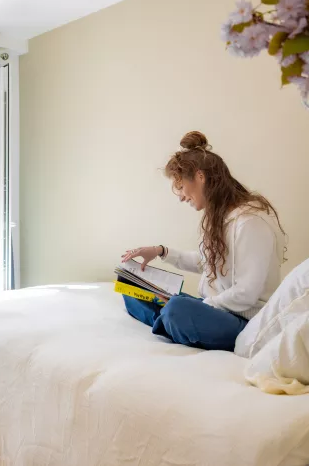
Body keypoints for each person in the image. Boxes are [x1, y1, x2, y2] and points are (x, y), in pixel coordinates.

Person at [122, 131, 286, 351]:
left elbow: (247, 293)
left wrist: (200, 305)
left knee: (177, 309)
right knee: (130, 287)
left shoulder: (251, 222)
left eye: (180, 187)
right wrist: (160, 251)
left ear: (200, 177)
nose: (180, 196)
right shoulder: (220, 217)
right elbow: (205, 262)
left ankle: (172, 319)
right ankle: (171, 322)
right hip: (215, 310)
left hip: (243, 322)